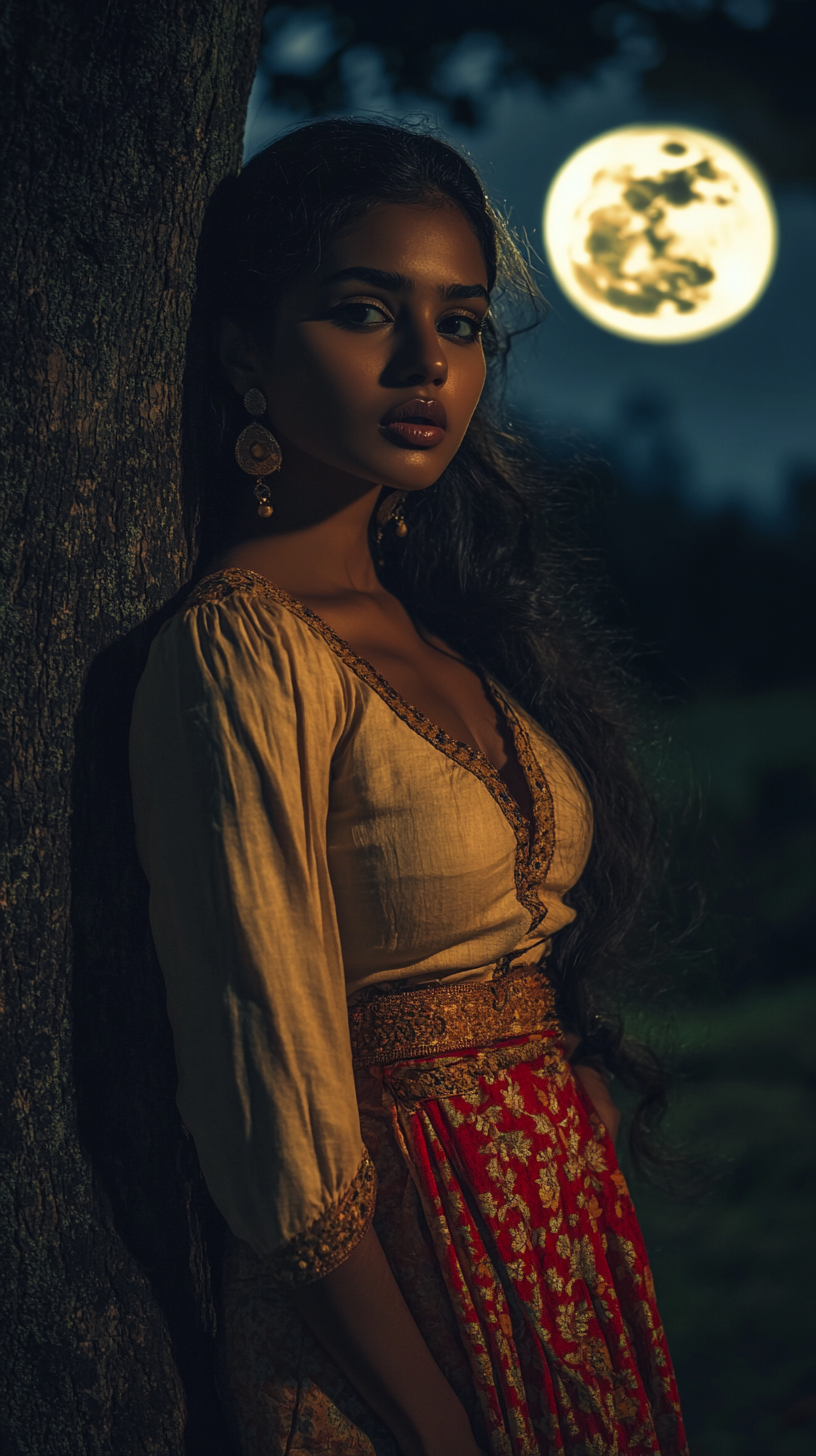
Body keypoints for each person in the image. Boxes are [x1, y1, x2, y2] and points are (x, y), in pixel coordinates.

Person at [129, 118, 688, 1456]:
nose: (425, 362)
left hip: (556, 1247)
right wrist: (440, 1425)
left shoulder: (448, 630)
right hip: (393, 1301)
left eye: (463, 322)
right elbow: (270, 1104)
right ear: (245, 352)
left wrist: (571, 1100)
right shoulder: (241, 650)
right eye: (365, 311)